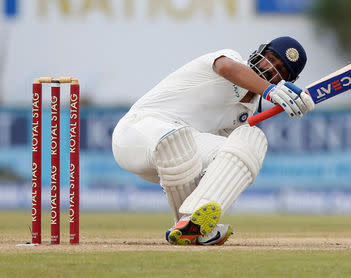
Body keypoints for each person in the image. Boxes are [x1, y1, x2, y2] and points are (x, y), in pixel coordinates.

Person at [112, 36, 315, 245]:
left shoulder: (245, 113)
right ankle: (192, 225)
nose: (271, 68)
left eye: (281, 70)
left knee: (250, 140)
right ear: (260, 52)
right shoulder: (231, 60)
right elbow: (226, 67)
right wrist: (269, 91)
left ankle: (190, 226)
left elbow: (219, 163)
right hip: (135, 133)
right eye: (270, 58)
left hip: (176, 156)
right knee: (177, 140)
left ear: (286, 82)